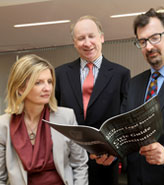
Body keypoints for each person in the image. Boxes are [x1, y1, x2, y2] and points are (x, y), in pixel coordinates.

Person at [91, 8, 164, 185]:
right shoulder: (134, 84)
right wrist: (111, 152)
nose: (148, 47)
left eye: (155, 37)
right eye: (142, 41)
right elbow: (125, 134)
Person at [55, 15, 130, 185]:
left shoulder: (121, 74)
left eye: (91, 36)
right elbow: (54, 114)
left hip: (106, 161)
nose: (87, 43)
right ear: (74, 43)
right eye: (81, 38)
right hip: (68, 162)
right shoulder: (60, 75)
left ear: (101, 38)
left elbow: (124, 119)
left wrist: (115, 152)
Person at [0, 54, 88, 185]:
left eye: (49, 81)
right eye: (38, 82)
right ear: (20, 88)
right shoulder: (4, 125)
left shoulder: (66, 117)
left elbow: (79, 164)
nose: (47, 88)